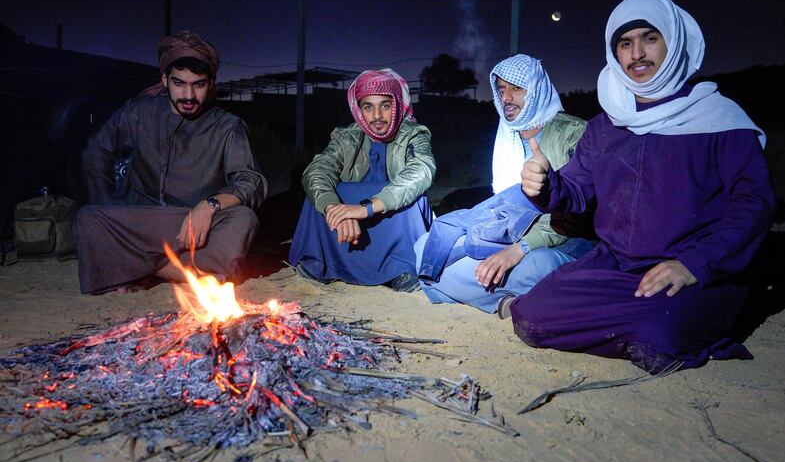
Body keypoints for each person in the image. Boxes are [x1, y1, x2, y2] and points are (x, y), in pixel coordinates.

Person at [512, 0, 776, 372]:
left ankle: (660, 323)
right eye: (625, 43)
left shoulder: (720, 120)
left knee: (659, 334)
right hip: (615, 266)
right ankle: (635, 323)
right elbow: (576, 192)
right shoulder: (606, 125)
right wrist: (546, 185)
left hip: (692, 272)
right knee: (531, 316)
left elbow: (753, 205)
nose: (636, 54)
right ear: (614, 53)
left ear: (675, 42)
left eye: (649, 39)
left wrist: (694, 264)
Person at [76, 31, 267, 294]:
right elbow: (96, 154)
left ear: (211, 84)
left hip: (193, 225)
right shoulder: (137, 112)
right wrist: (109, 203)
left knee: (244, 220)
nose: (188, 95)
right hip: (139, 220)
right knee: (88, 219)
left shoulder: (228, 127)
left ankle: (138, 267)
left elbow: (251, 181)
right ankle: (179, 272)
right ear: (165, 80)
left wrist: (209, 206)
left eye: (198, 85)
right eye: (179, 83)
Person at [415, 55, 593, 317]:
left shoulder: (574, 133)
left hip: (558, 239)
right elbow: (502, 208)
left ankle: (487, 294)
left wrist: (519, 249)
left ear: (537, 89)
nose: (506, 97)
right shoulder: (507, 133)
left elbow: (578, 212)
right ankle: (506, 302)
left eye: (516, 88)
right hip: (507, 234)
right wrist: (507, 247)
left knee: (541, 267)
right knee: (426, 245)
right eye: (501, 89)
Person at [288, 69, 435, 291]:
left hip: (391, 217)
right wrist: (336, 210)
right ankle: (323, 265)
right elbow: (317, 170)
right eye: (368, 107)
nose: (377, 115)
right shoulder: (347, 136)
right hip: (348, 227)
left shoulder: (413, 133)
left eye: (385, 105)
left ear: (396, 105)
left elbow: (422, 170)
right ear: (358, 109)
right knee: (319, 194)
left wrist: (364, 209)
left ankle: (401, 271)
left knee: (415, 198)